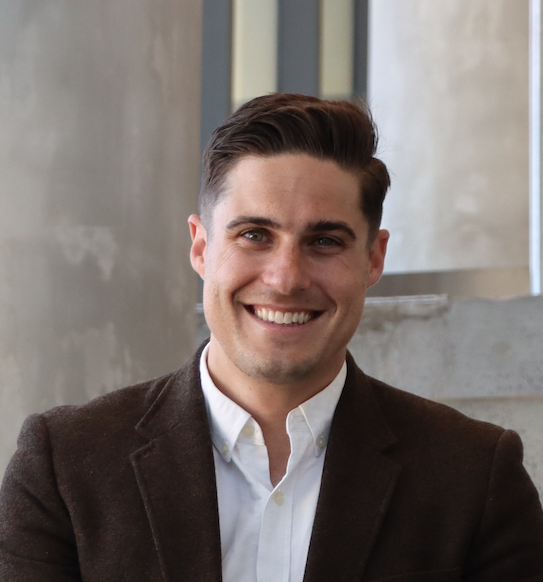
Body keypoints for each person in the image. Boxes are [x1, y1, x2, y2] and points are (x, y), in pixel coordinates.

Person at [1, 93, 542, 582]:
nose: (285, 279)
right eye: (254, 235)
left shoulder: (474, 474)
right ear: (201, 247)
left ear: (373, 258)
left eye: (325, 241)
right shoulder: (65, 465)